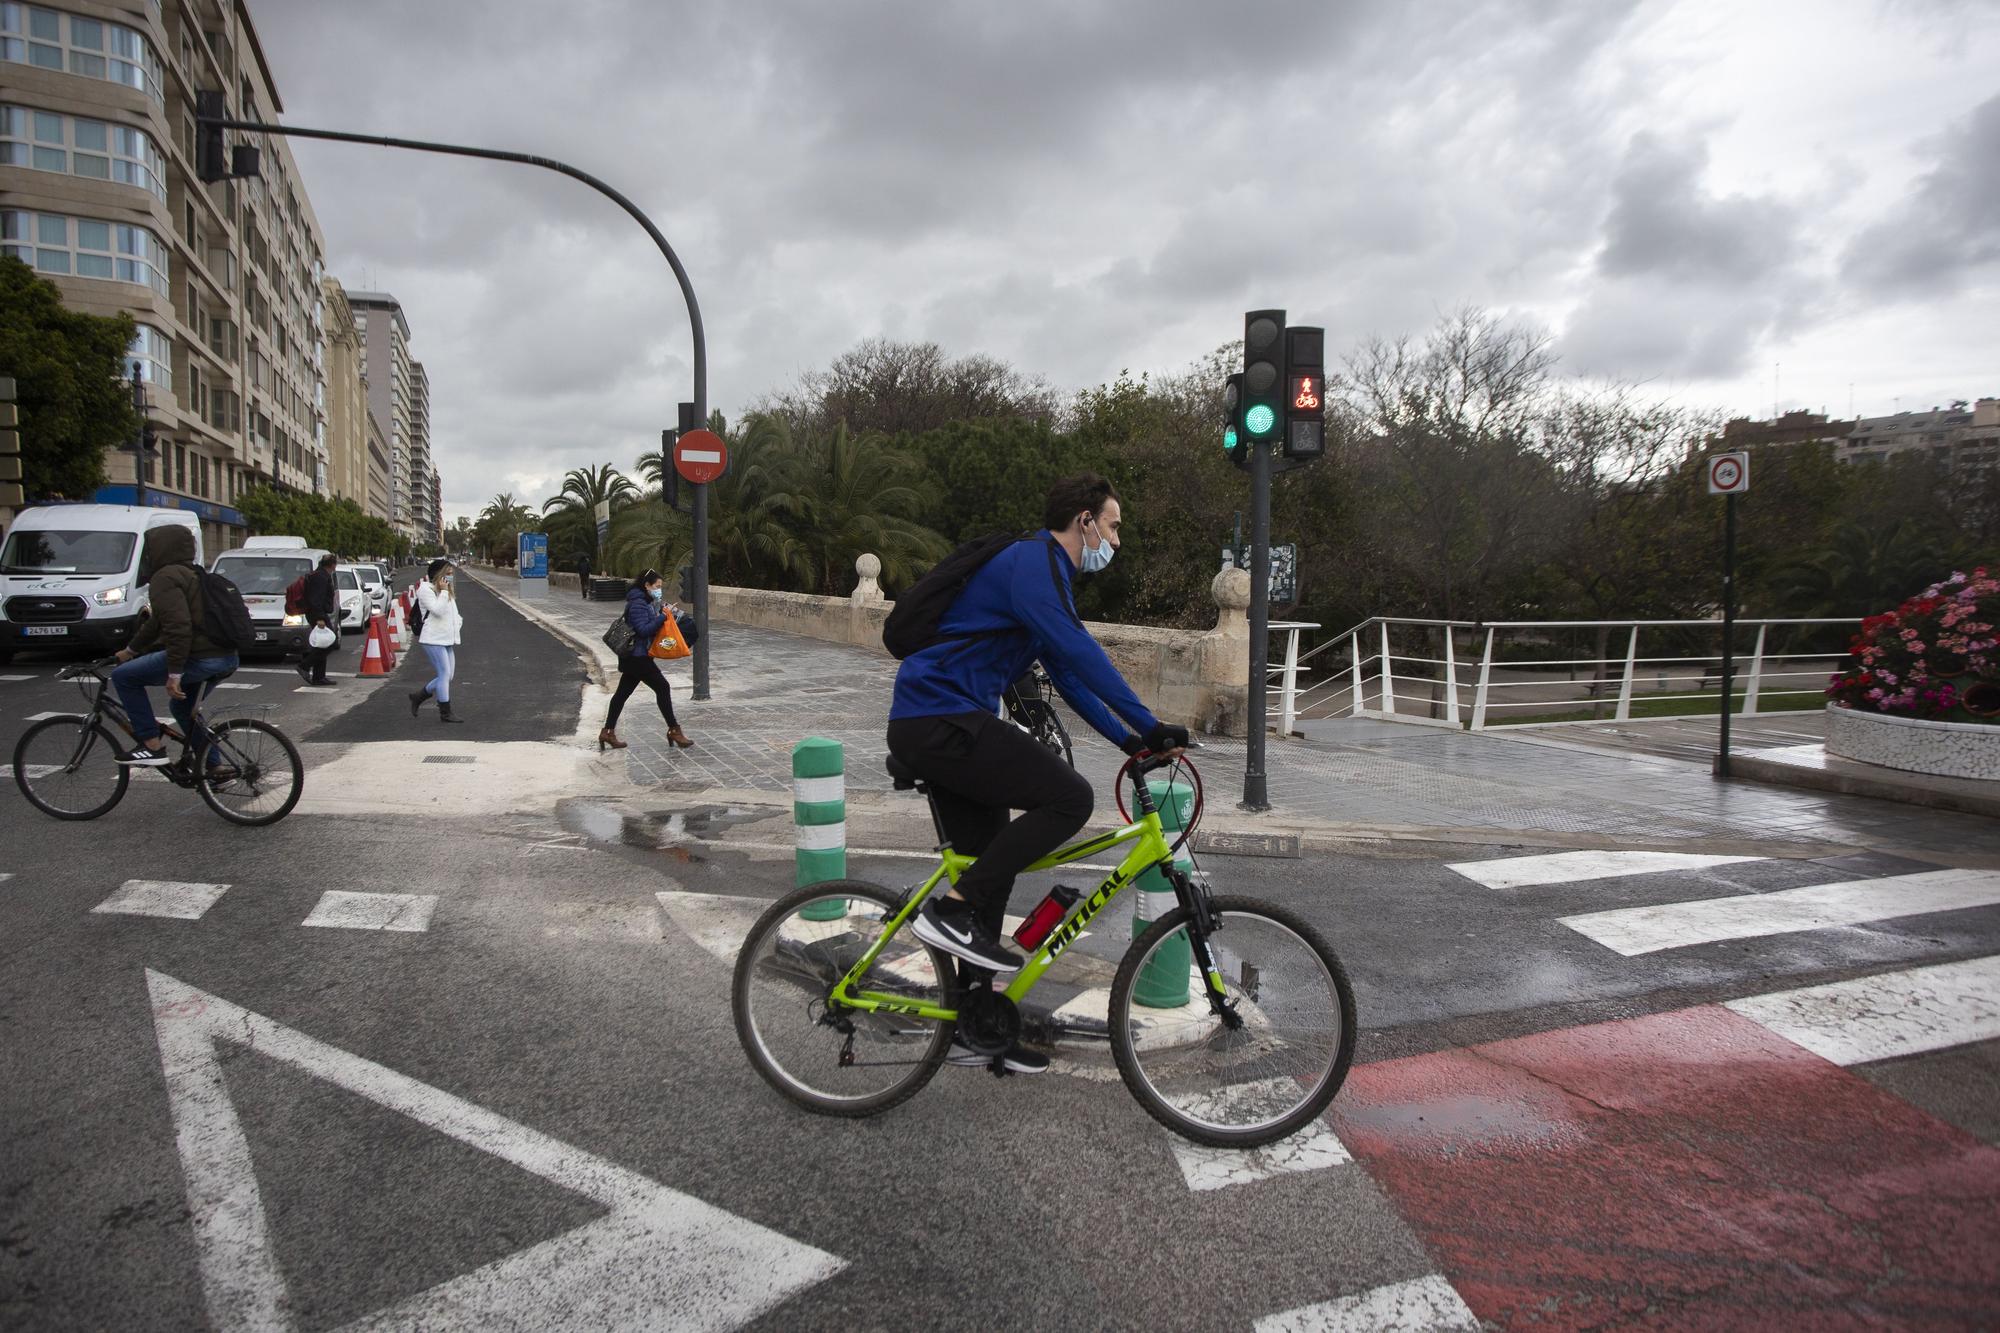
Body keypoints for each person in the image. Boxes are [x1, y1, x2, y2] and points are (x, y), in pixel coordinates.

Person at [888, 473, 1188, 1072]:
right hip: (941, 719)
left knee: (988, 868)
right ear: (1083, 520)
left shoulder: (1047, 578)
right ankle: (951, 909)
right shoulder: (1032, 563)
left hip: (946, 721)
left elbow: (1068, 678)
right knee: (1069, 798)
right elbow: (1079, 651)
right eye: (1113, 524)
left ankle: (977, 1025)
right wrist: (1152, 724)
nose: (1116, 539)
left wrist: (1131, 742)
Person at [107, 525, 239, 773]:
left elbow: (178, 627)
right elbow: (157, 622)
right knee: (181, 708)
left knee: (123, 677)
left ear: (159, 549)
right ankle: (213, 766)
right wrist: (130, 650)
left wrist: (175, 673)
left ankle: (151, 746)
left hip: (201, 659)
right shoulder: (195, 574)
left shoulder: (164, 577)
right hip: (226, 658)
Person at [598, 569, 694, 752]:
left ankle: (607, 732)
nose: (659, 590)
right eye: (657, 586)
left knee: (622, 694)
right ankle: (674, 730)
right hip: (637, 657)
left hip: (635, 658)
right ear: (647, 585)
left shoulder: (645, 602)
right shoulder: (638, 605)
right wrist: (663, 617)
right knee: (662, 687)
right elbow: (643, 630)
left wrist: (664, 613)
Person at [408, 558, 465, 723]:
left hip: (446, 639)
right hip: (432, 638)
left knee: (448, 676)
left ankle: (418, 696)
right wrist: (444, 591)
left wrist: (458, 624)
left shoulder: (447, 590)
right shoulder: (426, 590)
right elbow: (437, 611)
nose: (451, 575)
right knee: (444, 674)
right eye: (448, 573)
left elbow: (454, 614)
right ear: (438, 574)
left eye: (452, 573)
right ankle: (445, 712)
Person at [295, 553, 339, 686]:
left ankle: (319, 677)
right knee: (330, 642)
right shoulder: (320, 577)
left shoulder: (319, 574)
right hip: (317, 614)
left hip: (316, 612)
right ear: (332, 565)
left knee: (322, 643)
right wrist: (320, 618)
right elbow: (316, 599)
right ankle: (304, 666)